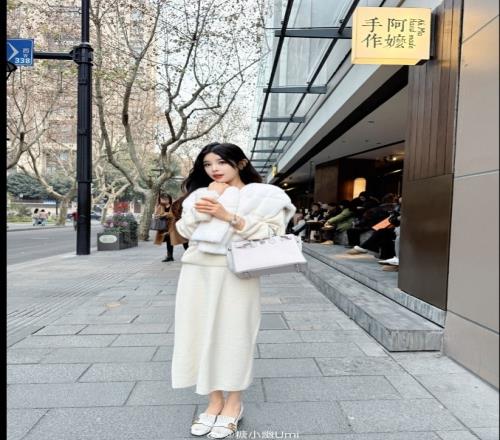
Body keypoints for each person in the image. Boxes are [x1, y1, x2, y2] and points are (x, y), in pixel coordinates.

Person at [171, 142, 296, 438]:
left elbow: (272, 233)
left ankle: (234, 403)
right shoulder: (201, 194)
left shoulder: (265, 195)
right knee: (197, 333)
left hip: (238, 272)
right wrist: (208, 203)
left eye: (221, 162)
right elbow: (185, 232)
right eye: (207, 164)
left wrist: (228, 215)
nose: (214, 169)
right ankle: (214, 402)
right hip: (197, 271)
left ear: (240, 163)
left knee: (236, 336)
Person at [153, 193, 177, 262]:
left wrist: (165, 215)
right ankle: (170, 256)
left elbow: (175, 214)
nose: (164, 200)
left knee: (172, 240)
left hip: (172, 226)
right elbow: (156, 214)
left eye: (166, 199)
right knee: (168, 241)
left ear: (169, 199)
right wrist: (159, 215)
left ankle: (170, 256)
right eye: (162, 199)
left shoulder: (173, 206)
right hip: (163, 226)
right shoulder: (160, 206)